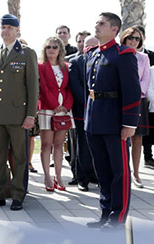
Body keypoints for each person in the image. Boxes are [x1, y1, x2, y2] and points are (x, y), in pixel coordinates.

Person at [84, 11, 141, 227]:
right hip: (94, 120)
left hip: (114, 121)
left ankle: (118, 217)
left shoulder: (123, 54)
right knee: (102, 170)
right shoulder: (92, 54)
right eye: (96, 23)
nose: (96, 26)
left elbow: (132, 91)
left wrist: (129, 124)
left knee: (119, 171)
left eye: (102, 24)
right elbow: (88, 90)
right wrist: (86, 118)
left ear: (114, 29)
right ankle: (105, 212)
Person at [0, 13, 39, 211]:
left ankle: (17, 195)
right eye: (3, 27)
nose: (5, 31)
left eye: (9, 28)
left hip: (18, 115)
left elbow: (33, 86)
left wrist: (31, 114)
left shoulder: (26, 53)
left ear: (17, 30)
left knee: (20, 158)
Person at [38, 37, 74, 191]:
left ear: (60, 50)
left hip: (64, 110)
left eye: (54, 47)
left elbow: (69, 88)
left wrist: (66, 105)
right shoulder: (40, 66)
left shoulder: (66, 67)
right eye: (48, 47)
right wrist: (54, 105)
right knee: (46, 144)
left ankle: (58, 177)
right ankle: (47, 176)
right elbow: (43, 88)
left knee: (59, 144)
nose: (51, 50)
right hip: (47, 108)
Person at [119, 25, 151, 188]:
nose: (133, 41)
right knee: (120, 138)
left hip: (137, 101)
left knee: (137, 138)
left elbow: (145, 79)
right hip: (118, 100)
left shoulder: (143, 58)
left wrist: (136, 94)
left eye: (137, 38)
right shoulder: (117, 54)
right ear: (124, 37)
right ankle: (122, 171)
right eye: (130, 37)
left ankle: (136, 174)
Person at [68, 34, 98, 191]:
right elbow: (76, 86)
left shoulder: (104, 61)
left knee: (100, 146)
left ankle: (98, 176)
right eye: (86, 45)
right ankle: (82, 178)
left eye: (93, 46)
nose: (88, 48)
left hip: (102, 111)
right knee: (83, 146)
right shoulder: (75, 62)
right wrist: (88, 103)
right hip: (83, 110)